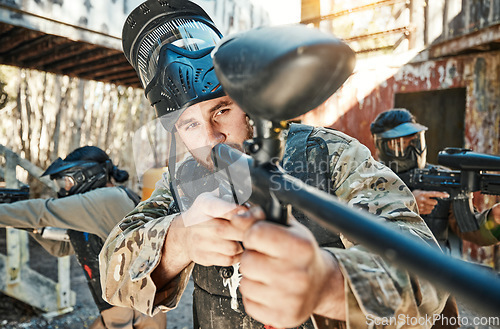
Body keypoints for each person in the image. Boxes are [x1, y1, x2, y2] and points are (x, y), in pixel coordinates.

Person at [100, 1, 449, 328]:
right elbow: (111, 273)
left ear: (247, 101)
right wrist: (179, 241)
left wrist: (326, 283)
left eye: (221, 110)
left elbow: (428, 279)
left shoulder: (330, 155)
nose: (211, 138)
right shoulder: (182, 179)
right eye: (189, 125)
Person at [0, 146, 166, 329]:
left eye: (67, 181)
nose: (64, 188)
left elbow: (43, 211)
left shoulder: (107, 199)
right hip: (121, 314)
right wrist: (25, 223)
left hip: (135, 315)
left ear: (86, 175)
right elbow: (62, 248)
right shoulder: (99, 207)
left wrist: (14, 211)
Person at [370, 108, 500, 257]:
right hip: (387, 266)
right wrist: (407, 204)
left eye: (415, 142)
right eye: (400, 144)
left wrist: (495, 219)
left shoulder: (441, 177)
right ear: (381, 147)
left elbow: (470, 228)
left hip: (435, 270)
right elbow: (357, 221)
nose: (413, 150)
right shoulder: (369, 178)